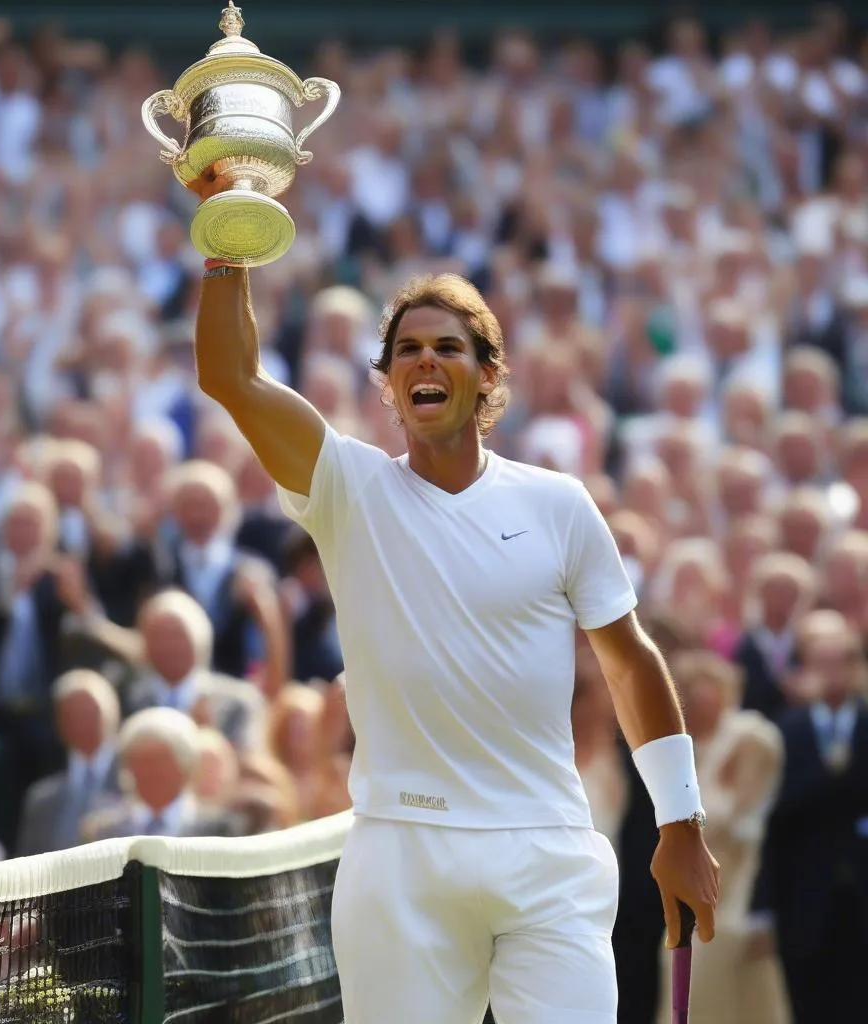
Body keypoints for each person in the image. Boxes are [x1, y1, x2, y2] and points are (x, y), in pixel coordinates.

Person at [191, 176, 719, 1023]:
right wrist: (229, 229)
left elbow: (629, 661)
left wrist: (680, 819)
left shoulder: (558, 503)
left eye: (446, 346)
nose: (425, 360)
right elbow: (232, 375)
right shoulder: (346, 486)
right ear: (389, 383)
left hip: (547, 854)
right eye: (406, 350)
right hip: (398, 860)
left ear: (487, 377)